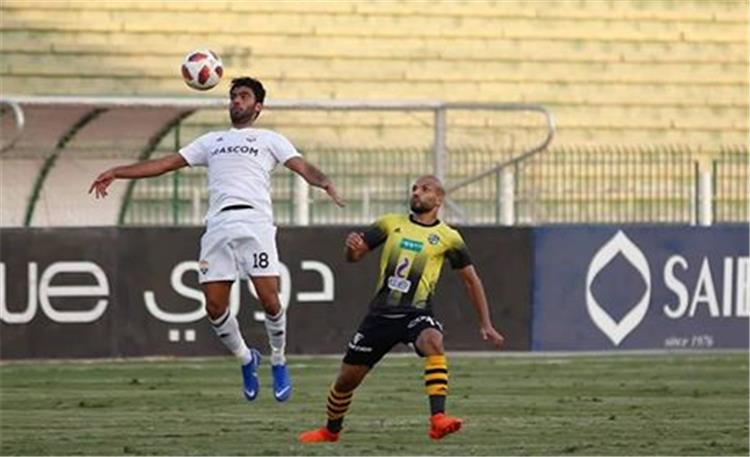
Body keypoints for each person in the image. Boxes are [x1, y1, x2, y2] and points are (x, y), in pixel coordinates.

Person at [89, 76, 345, 403]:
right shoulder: (211, 141)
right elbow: (165, 164)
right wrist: (118, 171)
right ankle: (246, 359)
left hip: (255, 223)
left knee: (270, 300)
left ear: (258, 106)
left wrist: (325, 183)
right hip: (219, 225)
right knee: (214, 307)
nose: (236, 101)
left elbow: (302, 166)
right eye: (233, 96)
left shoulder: (270, 139)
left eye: (244, 96)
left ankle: (279, 360)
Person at [299, 175, 504, 443]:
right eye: (414, 188)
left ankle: (438, 419)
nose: (417, 192)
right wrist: (351, 249)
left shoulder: (449, 238)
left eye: (425, 189)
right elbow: (354, 257)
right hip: (380, 316)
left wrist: (486, 323)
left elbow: (471, 280)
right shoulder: (390, 223)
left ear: (439, 199)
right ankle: (330, 431)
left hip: (416, 313)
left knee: (433, 340)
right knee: (346, 381)